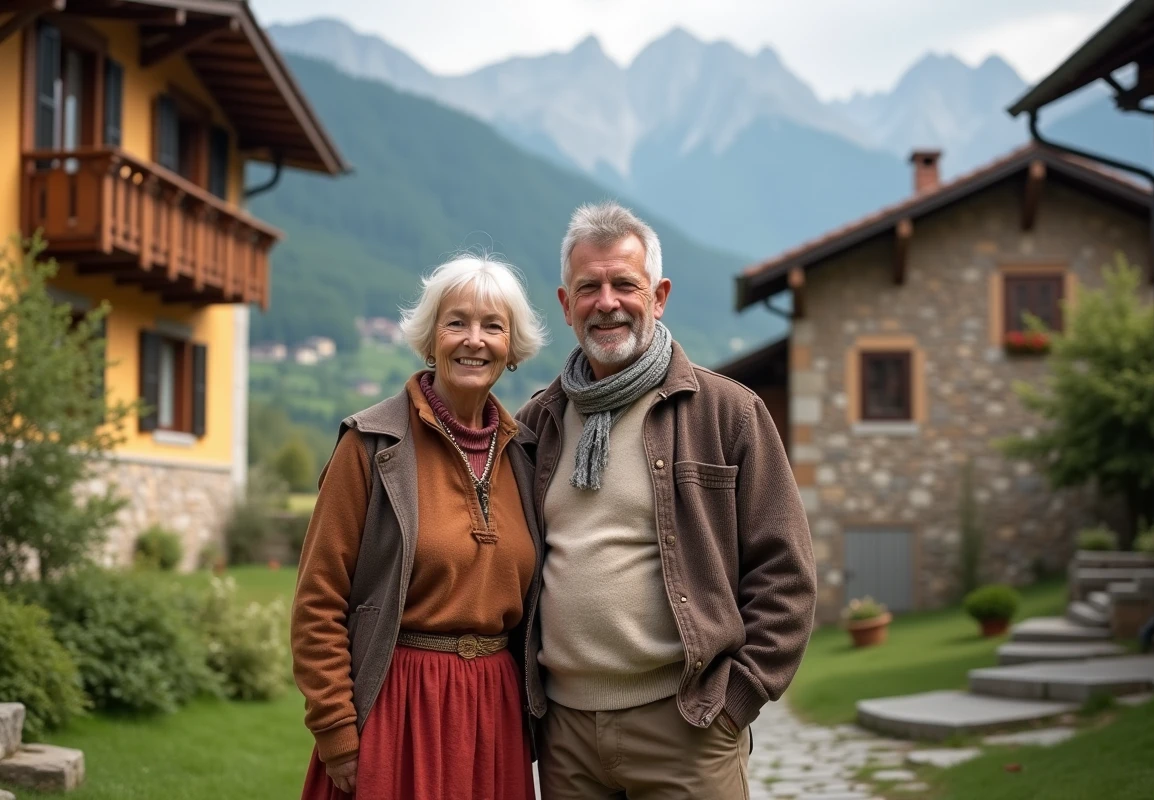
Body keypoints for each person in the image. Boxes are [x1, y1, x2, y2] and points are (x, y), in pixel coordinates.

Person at [517, 202, 818, 799]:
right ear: (565, 303)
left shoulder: (726, 412)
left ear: (658, 296)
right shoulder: (538, 424)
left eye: (625, 284)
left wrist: (738, 699)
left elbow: (786, 572)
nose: (607, 301)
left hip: (687, 727)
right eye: (589, 287)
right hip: (565, 733)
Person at [292, 254, 547, 800]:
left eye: (492, 326)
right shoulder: (371, 445)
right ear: (431, 338)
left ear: (512, 347)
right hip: (395, 707)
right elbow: (318, 602)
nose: (474, 340)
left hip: (495, 713)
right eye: (457, 322)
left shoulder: (525, 453)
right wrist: (337, 731)